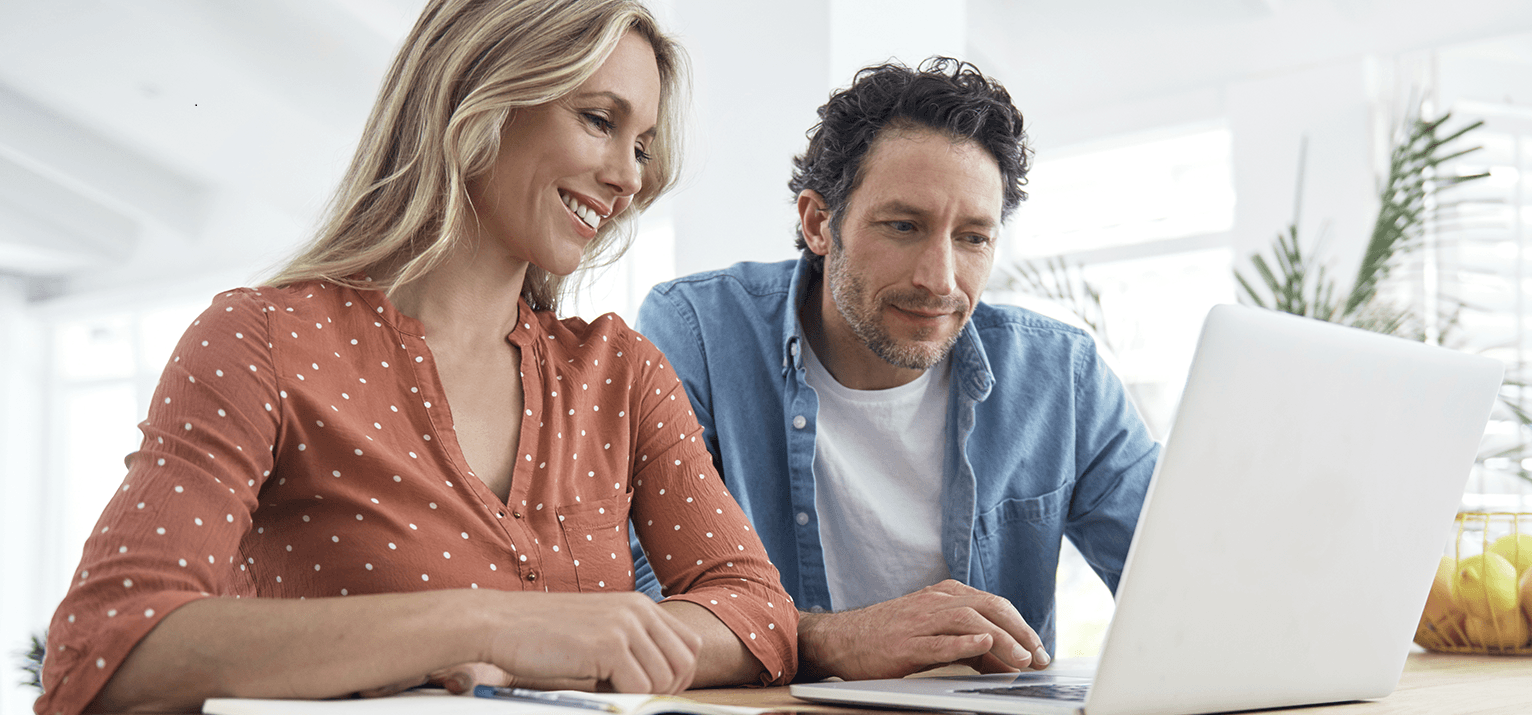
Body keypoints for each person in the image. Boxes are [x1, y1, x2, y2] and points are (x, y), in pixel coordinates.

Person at [35, 2, 797, 714]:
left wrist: (576, 644)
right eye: (599, 121)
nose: (630, 177)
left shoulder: (620, 373)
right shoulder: (261, 339)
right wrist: (484, 625)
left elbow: (757, 611)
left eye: (641, 147)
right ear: (481, 96)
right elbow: (104, 647)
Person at [630, 58, 1158, 681]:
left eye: (973, 238)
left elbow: (1182, 582)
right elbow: (643, 602)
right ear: (819, 223)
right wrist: (833, 640)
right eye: (903, 226)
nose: (939, 280)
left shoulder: (1061, 375)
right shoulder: (700, 332)